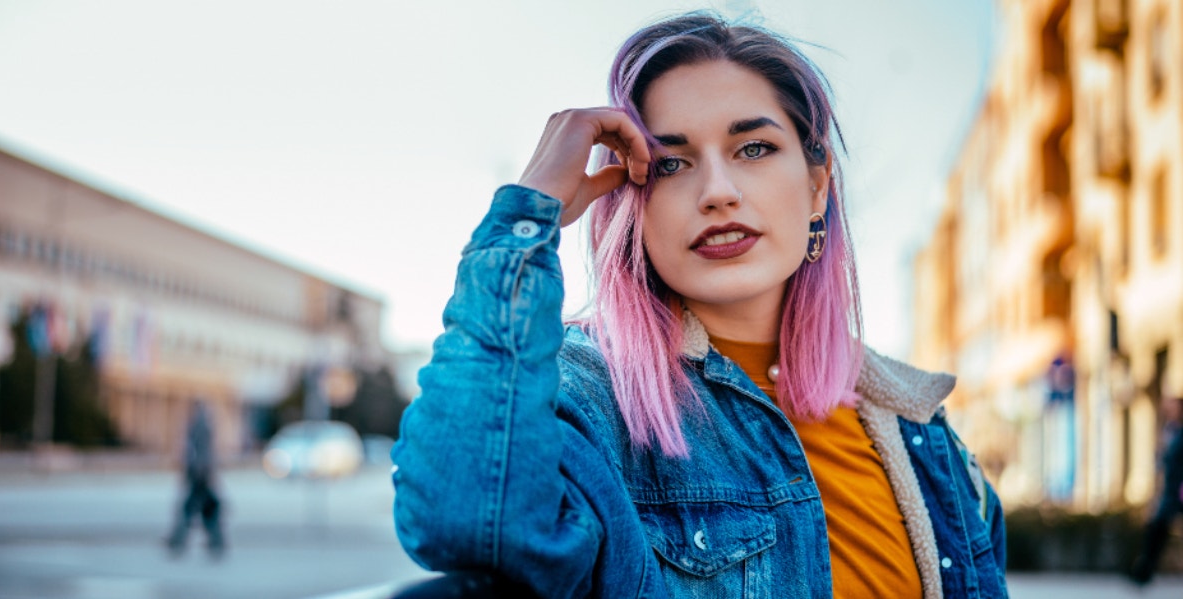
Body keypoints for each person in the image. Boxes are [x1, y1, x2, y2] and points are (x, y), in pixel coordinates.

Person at [391, 12, 1007, 598]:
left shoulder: (913, 422)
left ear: (817, 187)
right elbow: (462, 514)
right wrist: (528, 215)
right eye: (671, 164)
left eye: (754, 149)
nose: (717, 192)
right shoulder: (590, 396)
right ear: (632, 201)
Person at [1130, 395, 1183, 585]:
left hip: (1178, 489)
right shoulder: (1169, 430)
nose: (1170, 410)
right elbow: (1162, 462)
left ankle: (1144, 571)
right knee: (1157, 528)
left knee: (1159, 527)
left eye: (1175, 407)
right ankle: (1144, 570)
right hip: (1171, 491)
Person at [166, 401, 225, 557]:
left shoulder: (198, 426)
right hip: (202, 473)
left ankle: (178, 540)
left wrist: (193, 471)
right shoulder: (203, 425)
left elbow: (198, 452)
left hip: (199, 473)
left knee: (192, 508)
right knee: (207, 508)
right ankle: (215, 542)